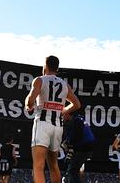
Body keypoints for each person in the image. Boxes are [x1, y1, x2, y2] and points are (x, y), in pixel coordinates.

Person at [25, 55, 81, 183]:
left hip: (43, 124)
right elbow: (77, 104)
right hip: (57, 126)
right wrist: (64, 110)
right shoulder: (64, 84)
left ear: (45, 65)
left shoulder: (40, 80)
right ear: (57, 67)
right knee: (53, 165)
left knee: (38, 166)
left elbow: (30, 102)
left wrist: (28, 102)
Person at [63, 113, 96, 183]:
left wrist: (69, 144)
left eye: (63, 115)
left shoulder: (76, 121)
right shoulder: (79, 119)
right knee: (75, 169)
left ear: (68, 114)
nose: (62, 117)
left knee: (73, 170)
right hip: (86, 147)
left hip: (84, 147)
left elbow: (77, 137)